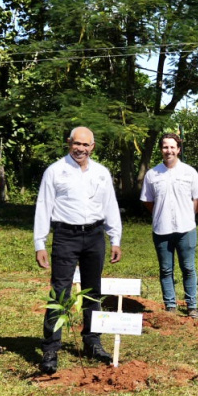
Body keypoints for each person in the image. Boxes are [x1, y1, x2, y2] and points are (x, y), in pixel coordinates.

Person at [34, 127, 123, 374]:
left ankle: (92, 341)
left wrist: (115, 238)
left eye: (86, 145)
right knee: (59, 292)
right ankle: (51, 348)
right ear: (69, 143)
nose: (80, 149)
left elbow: (110, 205)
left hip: (95, 236)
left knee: (93, 290)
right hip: (65, 235)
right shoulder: (55, 171)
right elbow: (43, 206)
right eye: (77, 144)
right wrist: (39, 242)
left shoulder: (102, 173)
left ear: (92, 147)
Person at [141, 133, 198, 318]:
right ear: (161, 149)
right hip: (161, 229)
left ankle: (192, 307)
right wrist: (159, 214)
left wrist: (189, 213)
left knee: (188, 268)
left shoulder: (189, 172)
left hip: (186, 229)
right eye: (165, 147)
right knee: (165, 269)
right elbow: (147, 200)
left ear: (178, 149)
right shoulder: (152, 174)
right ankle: (170, 307)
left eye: (172, 147)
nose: (168, 150)